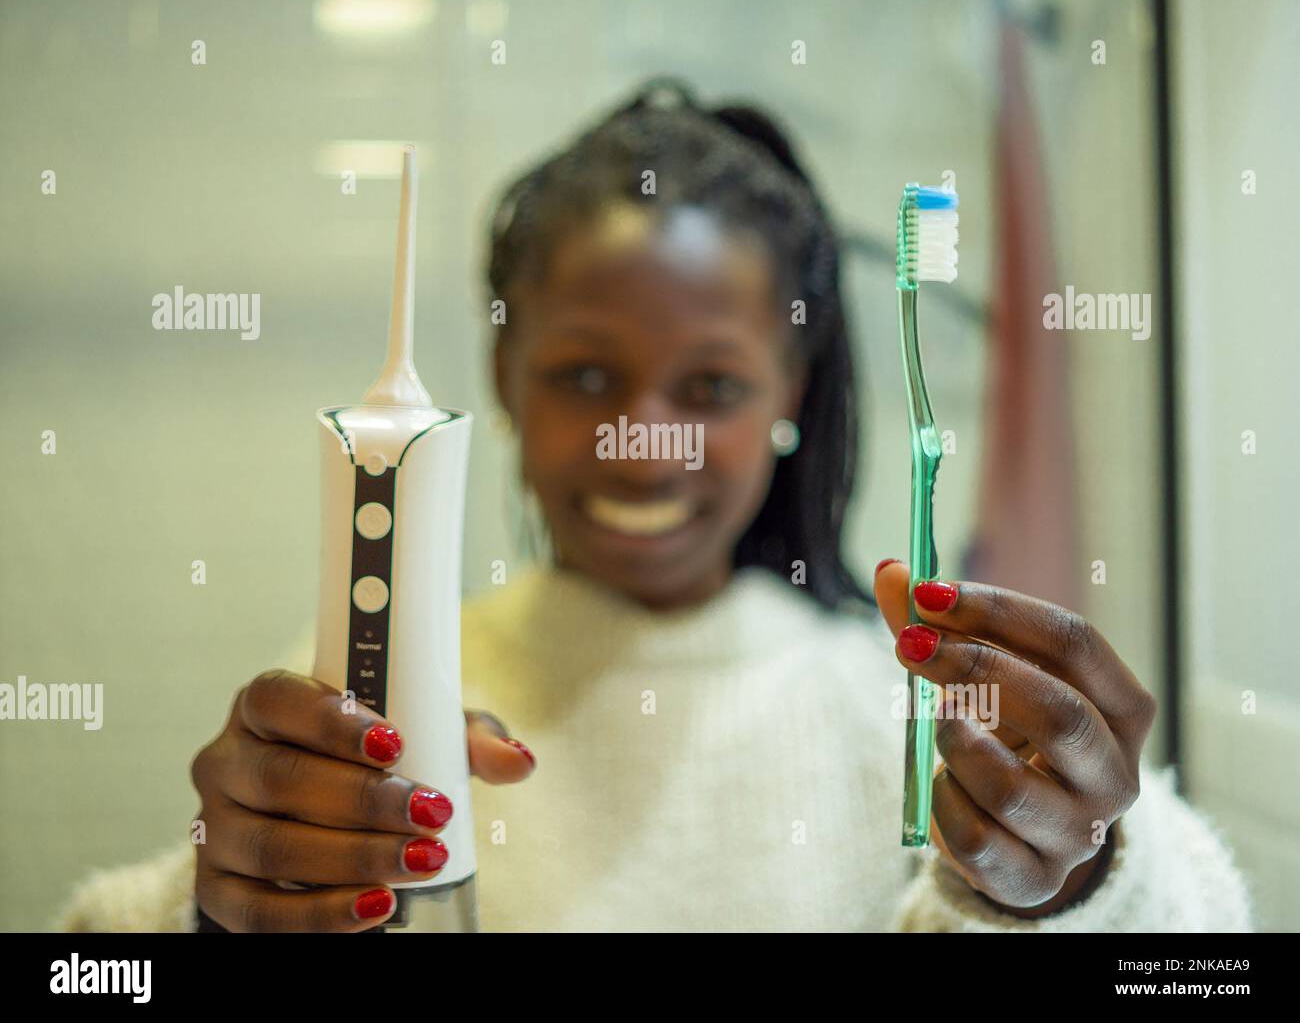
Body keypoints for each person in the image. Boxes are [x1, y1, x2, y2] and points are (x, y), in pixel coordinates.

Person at [57, 79, 1251, 932]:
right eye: (584, 377)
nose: (645, 439)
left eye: (712, 388)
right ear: (505, 385)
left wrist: (1091, 879)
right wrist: (222, 909)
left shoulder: (895, 715)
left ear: (789, 394)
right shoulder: (364, 695)